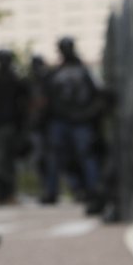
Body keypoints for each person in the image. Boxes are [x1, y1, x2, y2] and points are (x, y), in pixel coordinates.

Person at [42, 36, 103, 212]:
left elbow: (96, 94)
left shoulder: (84, 71)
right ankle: (54, 191)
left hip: (80, 121)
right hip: (60, 120)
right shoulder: (56, 73)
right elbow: (48, 98)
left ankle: (93, 189)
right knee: (56, 158)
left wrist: (89, 115)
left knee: (86, 155)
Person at [0, 49, 30, 203]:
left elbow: (26, 104)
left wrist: (24, 126)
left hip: (11, 126)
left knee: (7, 162)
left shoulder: (16, 81)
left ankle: (8, 193)